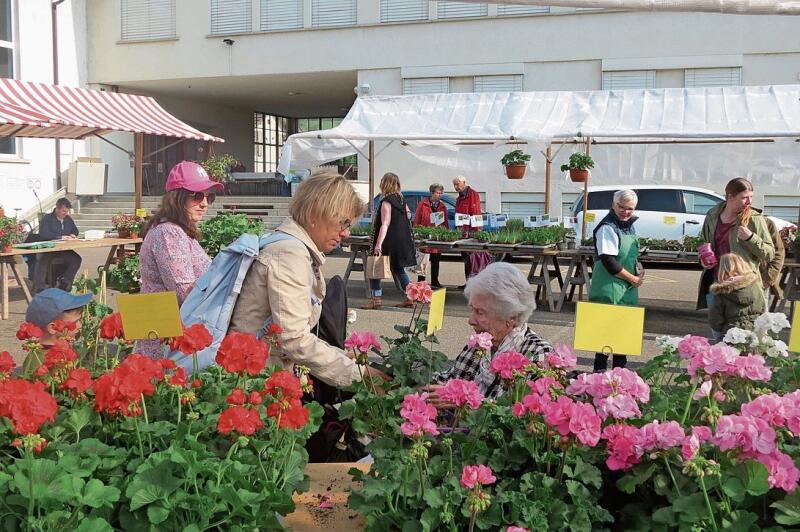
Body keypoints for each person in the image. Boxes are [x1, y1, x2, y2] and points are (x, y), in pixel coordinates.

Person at [229, 172, 388, 388]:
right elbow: (293, 339)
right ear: (315, 213)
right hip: (254, 381)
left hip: (257, 371)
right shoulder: (289, 254)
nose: (345, 233)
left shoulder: (287, 246)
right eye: (343, 223)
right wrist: (360, 376)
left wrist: (340, 355)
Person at [429, 262, 553, 399]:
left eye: (480, 312)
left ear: (511, 317)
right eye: (472, 309)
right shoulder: (480, 345)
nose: (471, 320)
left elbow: (521, 415)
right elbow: (450, 379)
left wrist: (463, 401)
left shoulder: (538, 355)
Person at [138, 161, 222, 357]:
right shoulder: (169, 233)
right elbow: (184, 291)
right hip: (166, 342)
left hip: (170, 334)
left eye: (210, 196)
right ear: (177, 198)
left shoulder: (176, 231)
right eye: (197, 195)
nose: (205, 203)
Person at [696, 177, 774, 311]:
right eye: (744, 197)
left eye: (751, 197)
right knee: (717, 329)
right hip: (716, 284)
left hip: (743, 286)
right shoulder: (712, 215)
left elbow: (770, 254)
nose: (749, 202)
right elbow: (704, 243)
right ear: (730, 197)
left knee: (743, 329)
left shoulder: (754, 219)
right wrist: (702, 259)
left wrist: (750, 237)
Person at [589, 189, 643, 372]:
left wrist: (638, 270)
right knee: (604, 343)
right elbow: (609, 261)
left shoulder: (628, 225)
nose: (626, 212)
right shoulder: (607, 227)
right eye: (622, 207)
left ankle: (620, 380)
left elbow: (629, 256)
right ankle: (599, 378)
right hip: (608, 288)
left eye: (630, 208)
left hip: (625, 289)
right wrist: (633, 279)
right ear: (613, 204)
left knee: (622, 342)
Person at [362, 172, 417, 310]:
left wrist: (378, 244)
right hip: (401, 240)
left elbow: (384, 224)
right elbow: (409, 215)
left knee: (376, 267)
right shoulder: (401, 199)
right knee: (399, 269)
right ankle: (410, 297)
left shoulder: (386, 201)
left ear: (384, 183)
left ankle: (376, 299)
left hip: (388, 240)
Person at [21, 287, 92, 375]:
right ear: (52, 328)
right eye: (75, 322)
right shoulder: (40, 360)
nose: (79, 326)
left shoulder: (62, 349)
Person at [709, 253, 765, 341]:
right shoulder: (756, 285)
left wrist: (719, 335)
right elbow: (763, 308)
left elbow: (715, 319)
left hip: (731, 334)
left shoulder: (721, 291)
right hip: (755, 330)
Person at [33, 197, 82, 293]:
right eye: (63, 211)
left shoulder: (68, 219)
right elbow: (43, 234)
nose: (65, 214)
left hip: (63, 249)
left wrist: (73, 234)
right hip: (48, 248)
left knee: (76, 259)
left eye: (67, 211)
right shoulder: (47, 219)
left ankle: (64, 283)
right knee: (42, 260)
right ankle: (40, 287)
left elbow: (75, 230)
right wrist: (59, 237)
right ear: (57, 209)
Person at [413, 183, 449, 288]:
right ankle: (421, 282)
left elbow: (445, 222)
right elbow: (417, 220)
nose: (440, 195)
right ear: (432, 193)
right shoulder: (422, 204)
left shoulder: (442, 206)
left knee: (436, 260)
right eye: (438, 193)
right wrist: (417, 233)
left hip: (436, 237)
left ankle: (435, 281)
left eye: (441, 193)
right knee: (423, 260)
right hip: (425, 237)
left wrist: (445, 233)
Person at [453, 176, 481, 289]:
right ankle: (468, 283)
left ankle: (474, 284)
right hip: (462, 233)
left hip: (471, 232)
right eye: (454, 185)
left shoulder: (472, 194)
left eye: (457, 184)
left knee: (472, 259)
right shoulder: (459, 198)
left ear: (464, 183)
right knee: (466, 259)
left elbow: (475, 213)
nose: (455, 187)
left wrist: (477, 231)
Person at [760, 216, 785, 307]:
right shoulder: (716, 218)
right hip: (723, 283)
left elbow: (778, 252)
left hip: (759, 283)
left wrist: (768, 278)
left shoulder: (766, 223)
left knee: (761, 319)